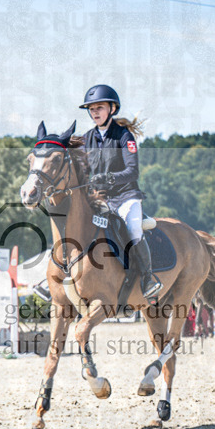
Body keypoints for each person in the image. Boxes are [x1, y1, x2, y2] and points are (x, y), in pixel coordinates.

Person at [79, 84, 161, 300]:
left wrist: (110, 178)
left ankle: (148, 278)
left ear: (112, 109)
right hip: (100, 199)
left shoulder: (124, 136)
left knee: (133, 229)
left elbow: (133, 171)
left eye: (99, 107)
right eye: (92, 109)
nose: (95, 112)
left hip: (126, 196)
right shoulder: (86, 139)